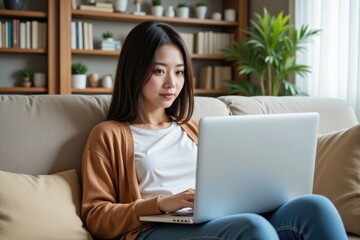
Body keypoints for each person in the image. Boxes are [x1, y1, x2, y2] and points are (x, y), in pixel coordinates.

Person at [81, 21, 347, 240]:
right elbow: (96, 216)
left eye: (180, 72)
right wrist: (163, 204)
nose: (172, 83)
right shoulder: (109, 135)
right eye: (159, 71)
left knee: (316, 207)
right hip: (154, 229)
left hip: (217, 218)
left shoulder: (194, 129)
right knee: (253, 229)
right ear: (134, 72)